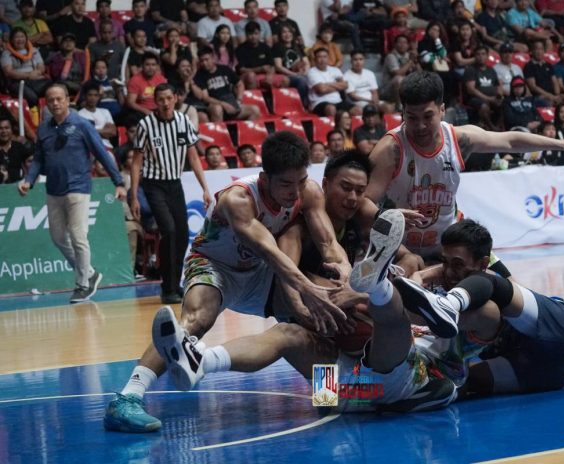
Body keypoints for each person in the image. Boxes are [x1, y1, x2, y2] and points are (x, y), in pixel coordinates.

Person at [104, 131, 353, 432]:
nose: (295, 191)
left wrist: (345, 272)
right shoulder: (239, 199)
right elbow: (270, 251)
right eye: (286, 184)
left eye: (300, 180)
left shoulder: (309, 192)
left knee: (321, 313)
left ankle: (329, 393)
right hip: (216, 265)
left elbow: (329, 244)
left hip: (259, 272)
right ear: (265, 178)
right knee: (197, 320)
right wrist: (306, 288)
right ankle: (127, 398)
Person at [151, 209, 461, 414]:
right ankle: (200, 361)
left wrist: (360, 295)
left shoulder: (451, 311)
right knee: (288, 333)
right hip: (334, 392)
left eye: (455, 264)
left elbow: (416, 273)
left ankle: (378, 286)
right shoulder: (302, 239)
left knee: (393, 322)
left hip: (382, 384)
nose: (449, 269)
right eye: (446, 262)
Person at [362, 71, 564, 261]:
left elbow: (510, 140)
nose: (420, 125)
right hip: (401, 250)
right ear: (402, 113)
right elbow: (363, 203)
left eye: (428, 116)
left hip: (450, 244)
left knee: (506, 289)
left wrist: (563, 144)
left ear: (442, 110)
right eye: (411, 118)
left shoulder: (459, 139)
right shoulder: (390, 150)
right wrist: (389, 215)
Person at [393, 219, 564, 395]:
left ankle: (450, 305)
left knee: (493, 290)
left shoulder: (486, 275)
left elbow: (509, 286)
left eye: (456, 264)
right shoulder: (440, 283)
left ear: (484, 262)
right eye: (444, 263)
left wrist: (423, 275)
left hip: (560, 329)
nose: (447, 272)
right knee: (454, 385)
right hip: (543, 373)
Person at [18, 83, 126, 303]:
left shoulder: (81, 124)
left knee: (78, 236)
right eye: (51, 100)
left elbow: (101, 152)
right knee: (58, 238)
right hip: (53, 190)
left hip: (78, 188)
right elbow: (39, 159)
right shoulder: (44, 129)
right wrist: (29, 180)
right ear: (47, 104)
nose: (55, 103)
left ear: (67, 100)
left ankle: (83, 284)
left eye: (59, 99)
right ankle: (91, 273)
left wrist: (119, 181)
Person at [129, 83, 211, 304]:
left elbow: (193, 157)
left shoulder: (183, 122)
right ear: (155, 102)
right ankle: (167, 288)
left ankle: (176, 285)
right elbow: (137, 162)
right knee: (169, 230)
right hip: (153, 184)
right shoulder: (145, 124)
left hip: (175, 183)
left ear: (175, 98)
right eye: (160, 99)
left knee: (183, 234)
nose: (165, 103)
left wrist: (205, 188)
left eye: (168, 98)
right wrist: (134, 195)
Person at [0, 115, 30, 183]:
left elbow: (31, 165)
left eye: (7, 128)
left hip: (17, 189)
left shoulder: (20, 147)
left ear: (12, 130)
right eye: (0, 128)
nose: (4, 131)